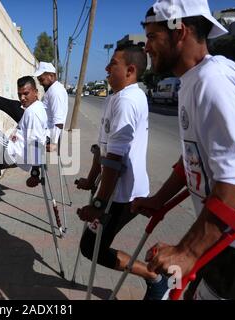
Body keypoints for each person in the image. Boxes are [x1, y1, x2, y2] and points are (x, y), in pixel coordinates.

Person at [133, 0, 235, 300]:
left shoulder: (214, 81)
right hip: (222, 235)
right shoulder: (192, 80)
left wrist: (186, 251)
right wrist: (159, 200)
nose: (147, 47)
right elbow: (193, 157)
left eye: (151, 36)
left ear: (179, 31)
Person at [75, 44, 168, 300]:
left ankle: (155, 277)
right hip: (110, 190)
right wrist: (91, 179)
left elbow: (115, 161)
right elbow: (102, 150)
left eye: (112, 63)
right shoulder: (114, 97)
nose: (106, 68)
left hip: (123, 196)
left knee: (92, 247)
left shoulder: (128, 101)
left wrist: (98, 203)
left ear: (130, 70)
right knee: (91, 246)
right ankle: (153, 277)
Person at [0, 62, 68, 187]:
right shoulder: (52, 89)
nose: (40, 82)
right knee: (14, 108)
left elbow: (59, 121)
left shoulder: (56, 92)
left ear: (51, 76)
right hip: (41, 129)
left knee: (12, 106)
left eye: (41, 79)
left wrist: (53, 141)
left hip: (43, 131)